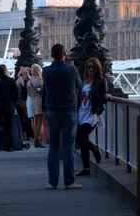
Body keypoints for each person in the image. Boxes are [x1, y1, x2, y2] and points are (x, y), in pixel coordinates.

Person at [42, 43, 82, 190]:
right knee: (68, 147)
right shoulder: (71, 70)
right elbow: (80, 84)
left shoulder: (46, 71)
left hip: (52, 112)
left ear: (52, 55)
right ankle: (69, 181)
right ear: (64, 53)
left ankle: (52, 182)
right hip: (69, 112)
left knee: (52, 146)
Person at [75, 58, 110, 177]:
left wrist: (107, 95)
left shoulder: (101, 80)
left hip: (92, 114)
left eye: (94, 67)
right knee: (83, 141)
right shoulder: (83, 81)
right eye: (89, 67)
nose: (91, 69)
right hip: (81, 113)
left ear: (98, 69)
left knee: (80, 138)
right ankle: (86, 168)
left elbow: (103, 95)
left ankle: (95, 149)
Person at [26, 64, 46, 148]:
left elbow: (29, 94)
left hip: (33, 102)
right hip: (40, 102)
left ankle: (36, 137)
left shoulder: (29, 82)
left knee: (35, 121)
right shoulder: (41, 81)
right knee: (40, 122)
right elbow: (43, 92)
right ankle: (37, 138)